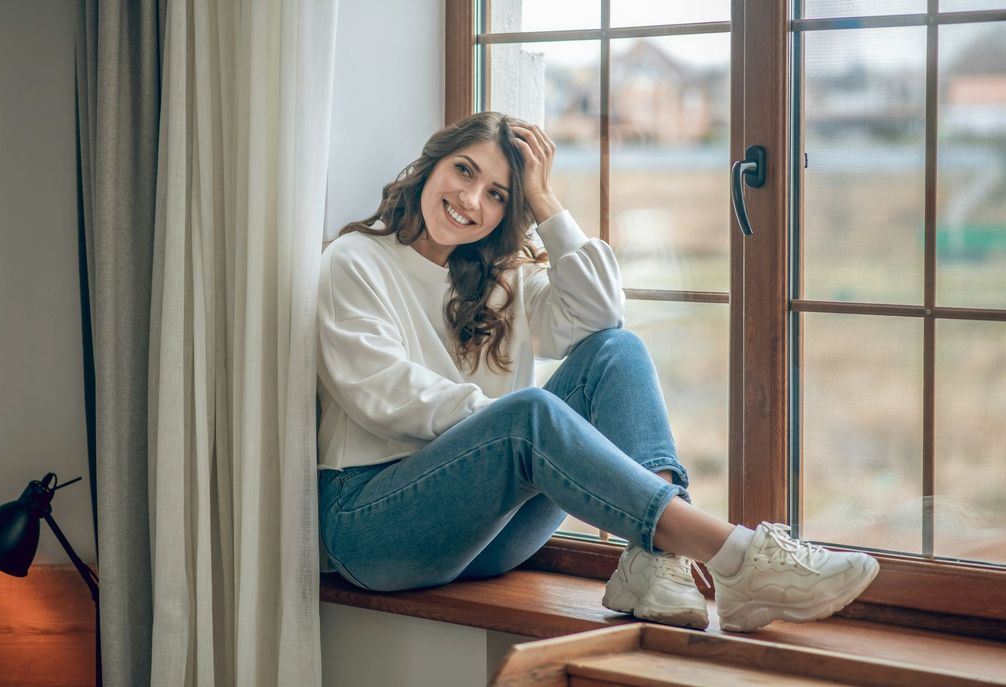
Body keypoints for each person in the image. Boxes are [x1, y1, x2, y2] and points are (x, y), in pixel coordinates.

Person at [316, 111, 878, 632]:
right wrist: (507, 430)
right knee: (530, 414)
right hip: (373, 527)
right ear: (428, 165)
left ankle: (656, 563)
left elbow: (600, 315)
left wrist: (545, 201)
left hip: (488, 537)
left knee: (616, 349)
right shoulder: (356, 260)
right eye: (463, 169)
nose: (470, 198)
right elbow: (383, 396)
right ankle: (737, 557)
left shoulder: (501, 277)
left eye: (497, 194)